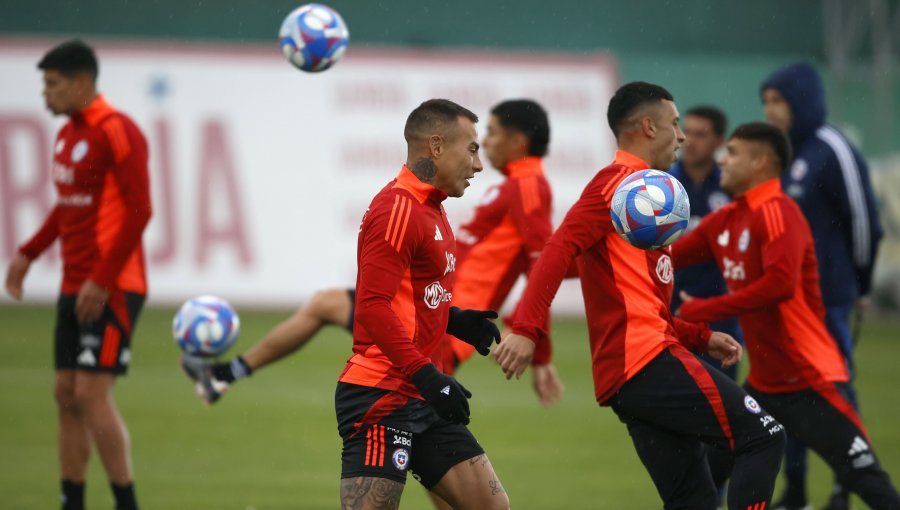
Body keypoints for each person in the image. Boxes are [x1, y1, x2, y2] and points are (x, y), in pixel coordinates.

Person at [495, 81, 785, 510]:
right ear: (648, 127)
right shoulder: (619, 185)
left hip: (633, 373)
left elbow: (641, 305)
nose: (682, 136)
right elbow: (557, 249)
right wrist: (526, 328)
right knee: (763, 435)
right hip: (646, 361)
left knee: (693, 498)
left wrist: (701, 338)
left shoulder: (648, 195)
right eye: (675, 123)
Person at [181, 99, 564, 410]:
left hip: (437, 315)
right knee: (431, 440)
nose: (484, 150)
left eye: (492, 135)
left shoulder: (529, 186)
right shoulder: (513, 187)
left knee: (425, 432)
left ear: (519, 141)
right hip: (431, 305)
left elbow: (542, 263)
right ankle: (225, 375)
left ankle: (225, 375)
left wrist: (534, 341)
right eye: (478, 142)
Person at [673, 121, 900, 510]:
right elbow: (670, 258)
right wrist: (598, 260)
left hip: (809, 380)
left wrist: (702, 311)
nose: (722, 159)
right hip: (764, 386)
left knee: (866, 478)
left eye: (733, 152)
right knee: (709, 473)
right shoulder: (727, 220)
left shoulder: (779, 212)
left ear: (761, 161)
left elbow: (779, 285)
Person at [336, 98, 508, 510]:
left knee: (492, 508)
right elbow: (372, 306)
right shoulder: (397, 207)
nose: (479, 164)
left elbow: (408, 299)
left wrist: (454, 319)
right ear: (434, 146)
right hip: (382, 395)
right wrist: (428, 376)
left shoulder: (432, 209)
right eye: (471, 149)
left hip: (421, 395)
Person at [4, 40, 151, 510]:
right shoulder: (68, 135)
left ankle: (126, 502)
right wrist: (30, 252)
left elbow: (139, 210)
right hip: (76, 283)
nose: (45, 95)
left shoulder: (118, 130)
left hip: (113, 285)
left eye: (53, 84)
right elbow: (67, 210)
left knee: (90, 393)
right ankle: (72, 500)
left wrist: (103, 279)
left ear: (82, 82)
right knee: (65, 393)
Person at [761, 62, 884, 510]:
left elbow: (864, 221)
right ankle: (795, 490)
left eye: (780, 101)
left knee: (834, 395)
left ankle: (843, 489)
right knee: (786, 396)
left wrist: (860, 284)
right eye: (767, 102)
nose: (772, 110)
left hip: (827, 297)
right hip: (782, 300)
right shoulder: (778, 153)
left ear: (803, 101)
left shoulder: (832, 148)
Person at [668, 105, 741, 378]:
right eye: (688, 132)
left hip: (720, 308)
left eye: (702, 134)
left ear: (719, 142)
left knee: (721, 402)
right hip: (671, 306)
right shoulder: (664, 185)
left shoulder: (730, 186)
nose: (690, 140)